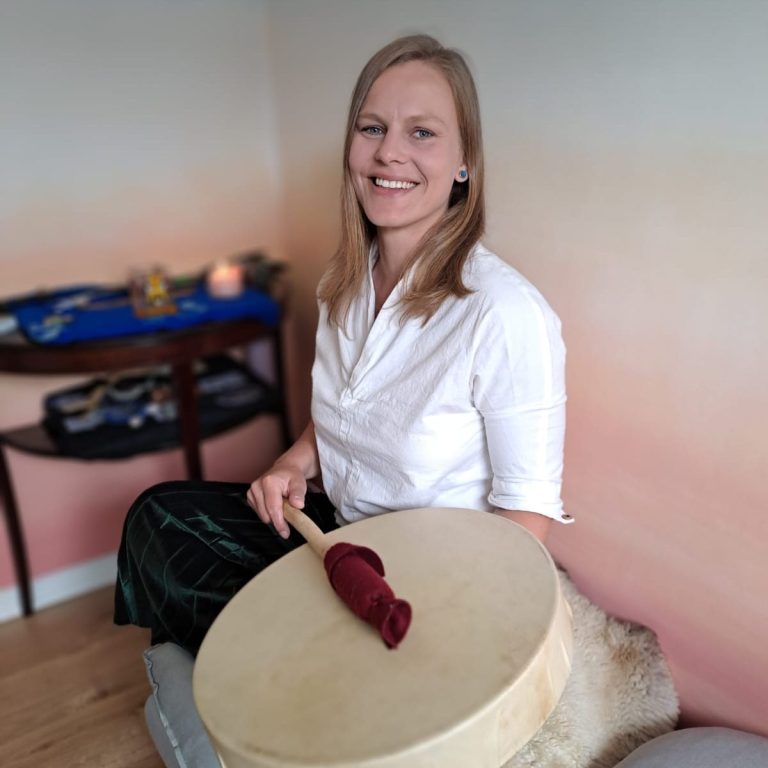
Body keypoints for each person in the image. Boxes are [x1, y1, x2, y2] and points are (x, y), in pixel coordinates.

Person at [114, 34, 569, 656]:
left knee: (275, 626)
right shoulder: (342, 285)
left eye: (422, 133)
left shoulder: (505, 313)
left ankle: (308, 656)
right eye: (372, 127)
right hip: (338, 539)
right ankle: (293, 653)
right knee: (157, 519)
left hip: (428, 578)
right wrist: (293, 463)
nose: (389, 152)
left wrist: (456, 627)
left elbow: (526, 520)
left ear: (466, 162)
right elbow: (348, 417)